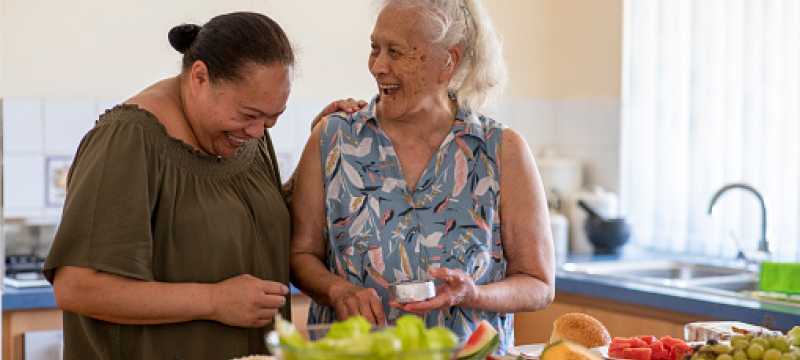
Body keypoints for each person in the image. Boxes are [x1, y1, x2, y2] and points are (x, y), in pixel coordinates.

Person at [44, 12, 362, 359]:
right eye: (249, 114)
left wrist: (322, 144)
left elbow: (254, 225)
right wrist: (213, 301)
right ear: (199, 77)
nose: (258, 130)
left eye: (273, 118)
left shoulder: (244, 137)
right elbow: (77, 287)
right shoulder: (128, 140)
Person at [290, 0, 555, 353]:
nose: (378, 66)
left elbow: (538, 283)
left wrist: (474, 294)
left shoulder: (501, 150)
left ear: (448, 61)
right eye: (375, 48)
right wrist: (338, 290)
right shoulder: (332, 138)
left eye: (396, 52)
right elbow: (300, 254)